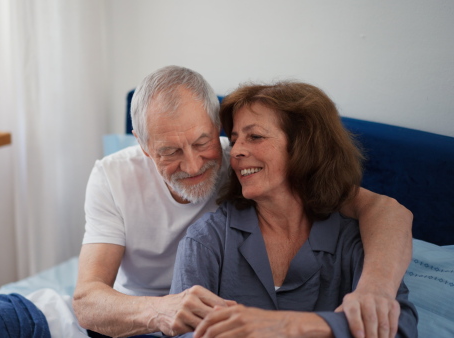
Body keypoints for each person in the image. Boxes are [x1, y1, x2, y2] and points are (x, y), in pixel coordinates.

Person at [73, 66, 414, 338]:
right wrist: (160, 310)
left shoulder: (245, 165)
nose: (193, 166)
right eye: (169, 151)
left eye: (203, 142)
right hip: (137, 317)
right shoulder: (119, 181)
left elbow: (384, 211)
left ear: (215, 127)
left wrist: (374, 293)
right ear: (144, 146)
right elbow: (88, 301)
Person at [169, 82, 418, 338]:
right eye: (234, 141)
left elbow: (399, 327)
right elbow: (183, 332)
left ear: (304, 146)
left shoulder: (357, 241)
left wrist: (296, 326)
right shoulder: (206, 239)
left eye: (255, 137)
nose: (237, 152)